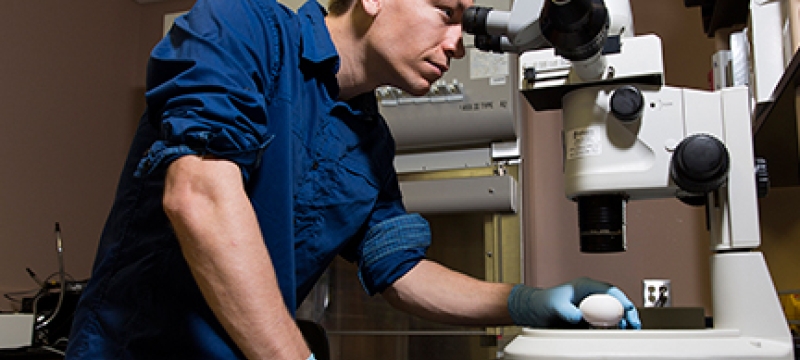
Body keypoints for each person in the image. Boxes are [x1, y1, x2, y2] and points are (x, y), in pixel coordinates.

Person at [65, 0, 641, 358]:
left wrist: (529, 301)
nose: (457, 44)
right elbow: (198, 197)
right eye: (446, 13)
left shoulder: (369, 140)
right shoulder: (241, 27)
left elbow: (400, 271)